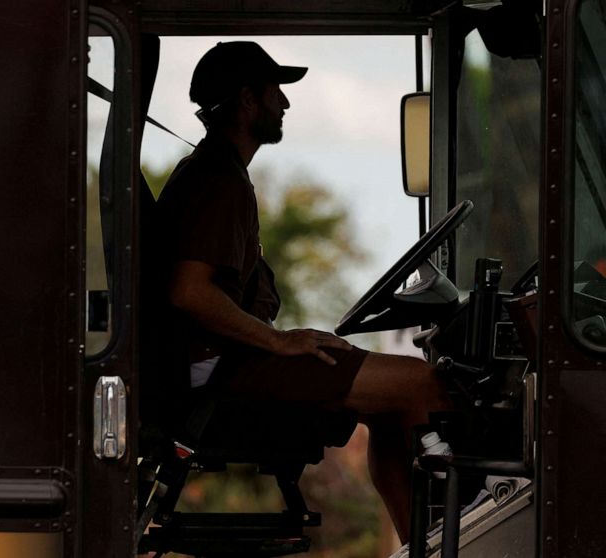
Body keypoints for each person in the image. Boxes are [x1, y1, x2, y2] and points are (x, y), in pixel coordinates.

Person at [156, 41, 450, 542]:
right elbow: (187, 292)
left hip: (223, 364)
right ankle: (458, 542)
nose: (285, 104)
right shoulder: (216, 181)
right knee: (422, 384)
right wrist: (278, 341)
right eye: (276, 93)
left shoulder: (217, 172)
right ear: (248, 101)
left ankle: (418, 546)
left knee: (388, 408)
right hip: (221, 373)